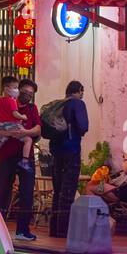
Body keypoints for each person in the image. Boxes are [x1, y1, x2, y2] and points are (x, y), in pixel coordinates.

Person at [0, 77, 41, 241]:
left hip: (25, 158)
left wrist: (25, 133)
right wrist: (9, 133)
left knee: (27, 192)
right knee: (3, 193)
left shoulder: (32, 108)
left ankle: (22, 230)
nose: (27, 95)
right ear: (17, 90)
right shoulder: (5, 104)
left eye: (30, 94)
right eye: (24, 92)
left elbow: (37, 129)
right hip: (7, 155)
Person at [49, 80, 89, 239]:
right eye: (82, 91)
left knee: (57, 191)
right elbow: (84, 126)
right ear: (78, 90)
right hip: (71, 151)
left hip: (56, 153)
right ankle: (63, 231)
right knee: (68, 191)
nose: (82, 94)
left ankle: (54, 229)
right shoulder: (78, 104)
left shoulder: (59, 105)